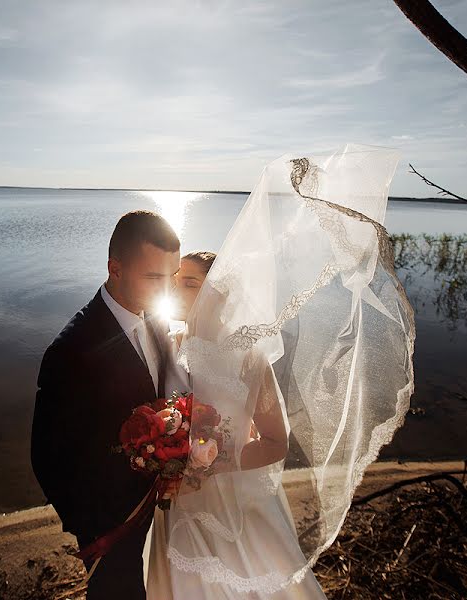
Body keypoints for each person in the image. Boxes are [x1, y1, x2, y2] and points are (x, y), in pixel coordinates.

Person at [145, 146, 415, 598]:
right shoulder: (167, 348)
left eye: (190, 282)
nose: (178, 290)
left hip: (234, 503)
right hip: (176, 504)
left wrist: (216, 463)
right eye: (175, 282)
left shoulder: (249, 360)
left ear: (219, 294)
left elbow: (276, 443)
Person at [30, 210, 180, 599]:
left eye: (173, 276)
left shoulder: (157, 320)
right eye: (154, 277)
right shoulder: (70, 351)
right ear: (115, 268)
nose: (167, 289)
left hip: (163, 514)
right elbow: (47, 457)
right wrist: (93, 527)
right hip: (113, 528)